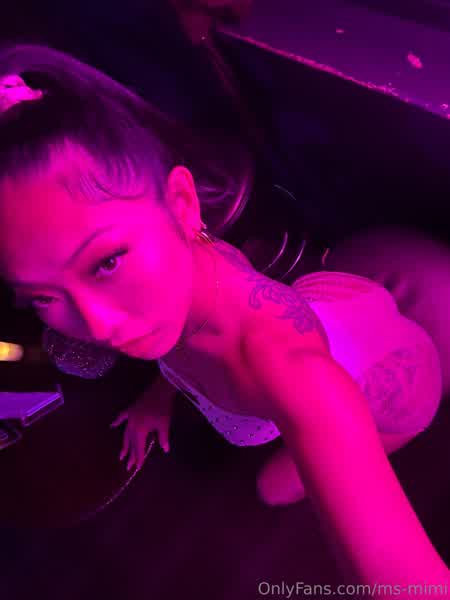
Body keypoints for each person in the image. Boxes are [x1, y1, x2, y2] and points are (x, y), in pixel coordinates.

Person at [0, 44, 449, 593]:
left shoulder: (290, 373)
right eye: (42, 296)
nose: (96, 325)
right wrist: (159, 397)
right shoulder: (191, 262)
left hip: (399, 392)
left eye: (107, 261)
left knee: (268, 490)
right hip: (348, 298)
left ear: (182, 203)